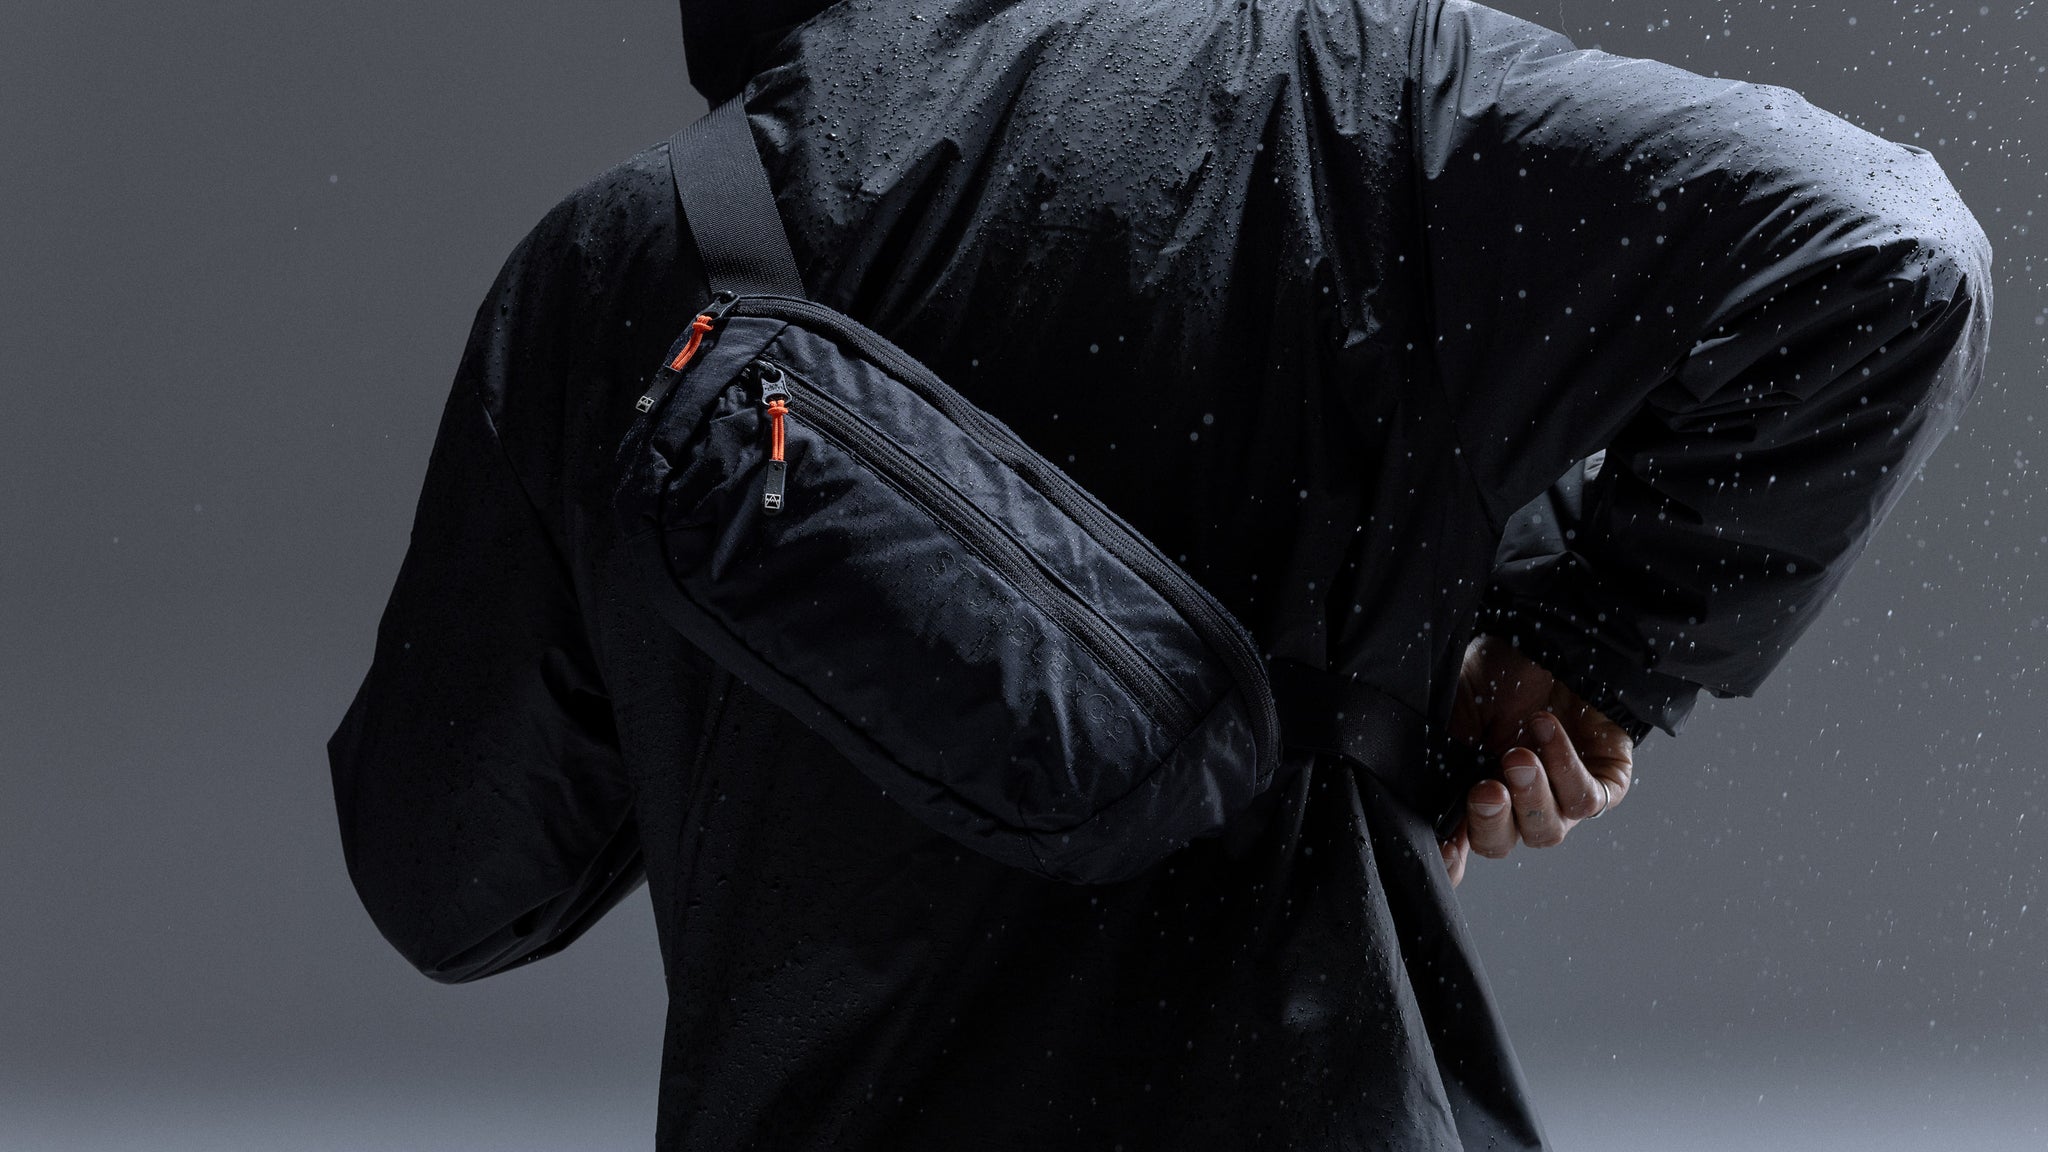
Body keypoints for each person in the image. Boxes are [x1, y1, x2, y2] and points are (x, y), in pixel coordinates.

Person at [327, 0, 1991, 1146]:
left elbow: (452, 886)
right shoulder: (1352, 110)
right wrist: (1594, 646)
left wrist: (721, 652)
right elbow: (1882, 245)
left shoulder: (622, 268)